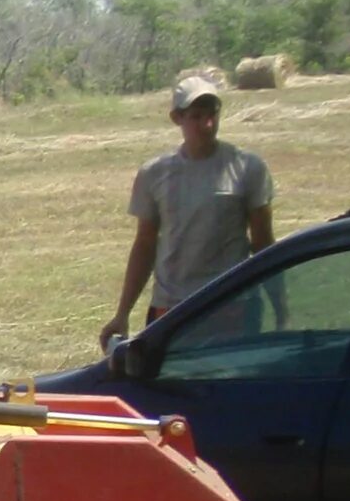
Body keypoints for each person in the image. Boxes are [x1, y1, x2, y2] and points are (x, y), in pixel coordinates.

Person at [101, 70, 275, 348]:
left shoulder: (247, 168)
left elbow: (264, 243)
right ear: (177, 118)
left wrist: (279, 304)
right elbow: (145, 245)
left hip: (233, 304)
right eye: (196, 116)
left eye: (212, 114)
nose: (207, 124)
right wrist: (122, 314)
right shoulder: (154, 174)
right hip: (172, 308)